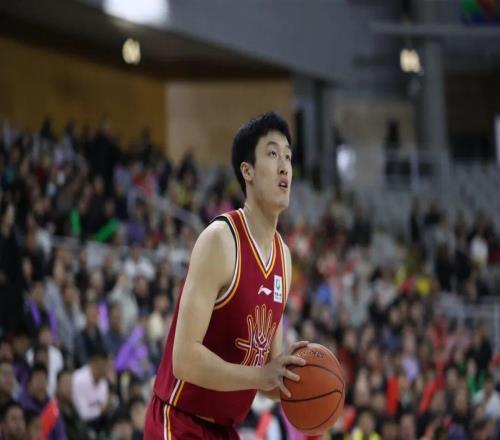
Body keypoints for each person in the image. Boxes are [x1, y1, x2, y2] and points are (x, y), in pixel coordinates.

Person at [145, 112, 307, 439]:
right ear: (247, 171)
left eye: (288, 157)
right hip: (178, 420)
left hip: (224, 429)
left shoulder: (284, 259)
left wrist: (305, 383)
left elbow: (268, 379)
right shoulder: (220, 240)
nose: (284, 166)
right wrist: (260, 376)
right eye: (272, 154)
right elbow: (184, 359)